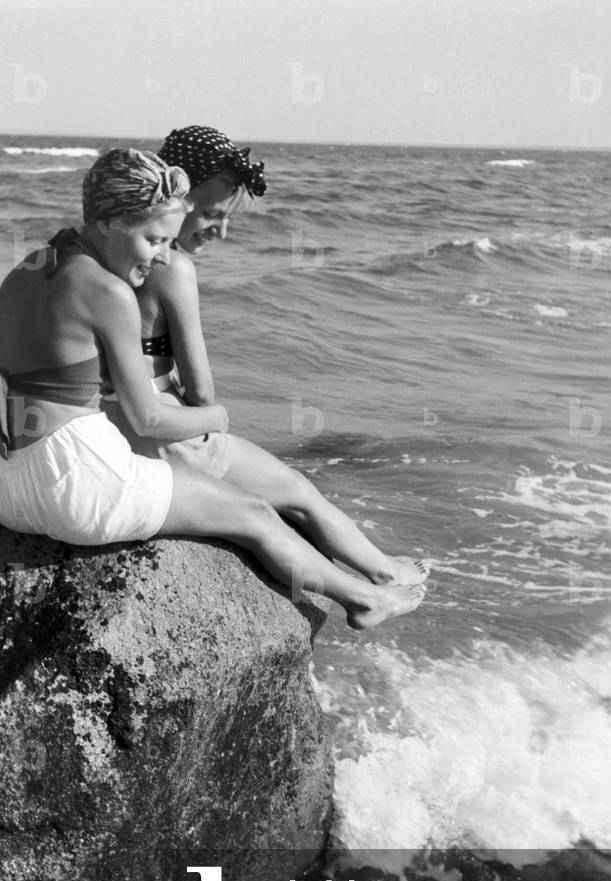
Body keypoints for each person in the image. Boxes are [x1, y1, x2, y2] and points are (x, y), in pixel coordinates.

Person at [0, 148, 425, 630]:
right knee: (253, 513)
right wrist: (215, 418)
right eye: (152, 239)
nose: (162, 255)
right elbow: (150, 420)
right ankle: (364, 599)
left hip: (13, 488)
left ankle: (368, 583)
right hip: (79, 488)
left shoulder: (27, 268)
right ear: (110, 222)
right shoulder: (106, 291)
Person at [105, 127, 430, 589]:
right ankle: (383, 571)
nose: (220, 231)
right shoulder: (172, 267)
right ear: (178, 195)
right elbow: (201, 392)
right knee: (299, 494)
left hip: (107, 421)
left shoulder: (104, 252)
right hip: (163, 429)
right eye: (211, 214)